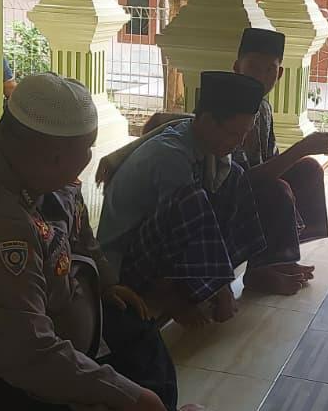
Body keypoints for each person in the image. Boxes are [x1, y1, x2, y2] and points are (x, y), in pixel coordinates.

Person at [0, 72, 199, 411]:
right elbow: (27, 354)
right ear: (54, 156)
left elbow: (79, 231)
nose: (90, 157)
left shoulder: (37, 171)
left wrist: (106, 283)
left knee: (135, 330)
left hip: (31, 343)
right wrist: (129, 396)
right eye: (87, 148)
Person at [96, 71, 267, 327]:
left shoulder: (200, 141)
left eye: (245, 133)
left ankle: (203, 283)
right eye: (234, 134)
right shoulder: (171, 156)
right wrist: (220, 289)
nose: (240, 142)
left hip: (157, 245)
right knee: (190, 201)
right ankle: (169, 294)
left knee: (235, 176)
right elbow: (183, 220)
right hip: (123, 265)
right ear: (208, 121)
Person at [231, 28, 328, 295]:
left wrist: (302, 154)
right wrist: (301, 148)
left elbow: (272, 161)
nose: (261, 76)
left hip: (251, 192)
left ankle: (283, 258)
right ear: (237, 68)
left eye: (270, 70)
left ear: (279, 75)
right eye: (253, 67)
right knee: (277, 189)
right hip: (225, 199)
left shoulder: (263, 108)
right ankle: (259, 271)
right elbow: (240, 180)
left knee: (309, 169)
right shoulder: (228, 109)